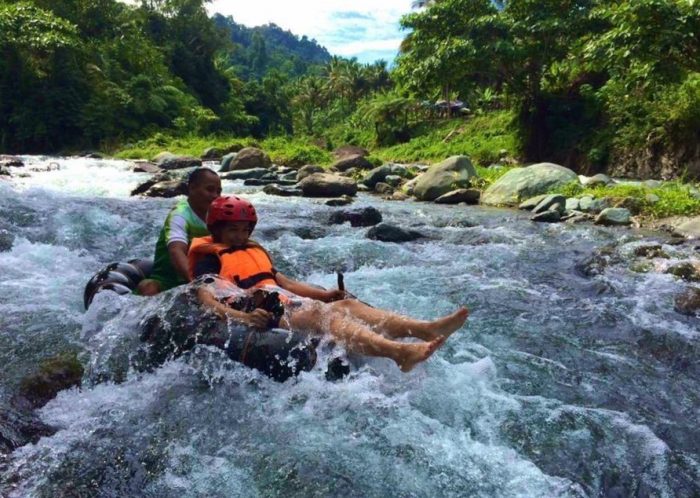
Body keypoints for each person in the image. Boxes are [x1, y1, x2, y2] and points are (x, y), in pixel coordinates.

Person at [190, 196, 469, 372]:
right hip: (257, 311)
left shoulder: (254, 250)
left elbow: (283, 281)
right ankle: (398, 353)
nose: (239, 236)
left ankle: (424, 329)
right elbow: (206, 298)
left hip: (281, 302)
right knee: (321, 315)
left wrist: (325, 294)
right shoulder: (209, 259)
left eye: (243, 230)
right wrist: (244, 317)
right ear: (216, 230)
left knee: (345, 304)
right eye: (232, 230)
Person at [137, 168, 222, 296]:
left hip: (207, 279)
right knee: (148, 287)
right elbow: (176, 250)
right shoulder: (179, 215)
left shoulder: (220, 217)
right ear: (192, 188)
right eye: (210, 189)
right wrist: (196, 284)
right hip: (167, 280)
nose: (215, 196)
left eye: (218, 191)